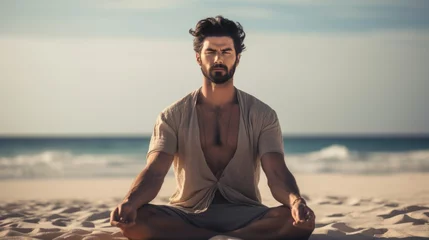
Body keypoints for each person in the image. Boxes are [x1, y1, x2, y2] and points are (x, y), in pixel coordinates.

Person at [110, 15, 316, 240]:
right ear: (198, 57)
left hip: (246, 213)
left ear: (237, 58)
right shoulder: (171, 116)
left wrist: (296, 202)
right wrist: (129, 202)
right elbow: (155, 171)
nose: (218, 58)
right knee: (136, 219)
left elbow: (276, 172)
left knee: (296, 223)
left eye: (226, 51)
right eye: (211, 52)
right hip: (188, 213)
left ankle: (205, 238)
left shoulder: (263, 115)